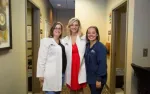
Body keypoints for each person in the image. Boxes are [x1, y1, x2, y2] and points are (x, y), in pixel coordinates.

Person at [36, 22, 67, 94]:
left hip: (61, 74)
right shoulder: (45, 41)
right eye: (56, 28)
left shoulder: (62, 42)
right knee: (50, 91)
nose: (57, 30)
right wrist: (41, 75)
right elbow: (41, 59)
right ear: (52, 29)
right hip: (50, 74)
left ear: (61, 31)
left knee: (58, 92)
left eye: (59, 28)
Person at [62, 18, 86, 94]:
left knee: (80, 89)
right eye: (72, 25)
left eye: (76, 25)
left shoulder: (84, 38)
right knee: (71, 89)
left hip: (80, 66)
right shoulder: (64, 40)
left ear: (79, 26)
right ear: (69, 26)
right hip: (70, 67)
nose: (74, 27)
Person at [84, 26, 107, 94]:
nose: (91, 35)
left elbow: (102, 64)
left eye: (93, 33)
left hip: (97, 78)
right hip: (90, 77)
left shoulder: (100, 47)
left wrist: (98, 79)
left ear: (97, 34)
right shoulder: (87, 46)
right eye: (89, 33)